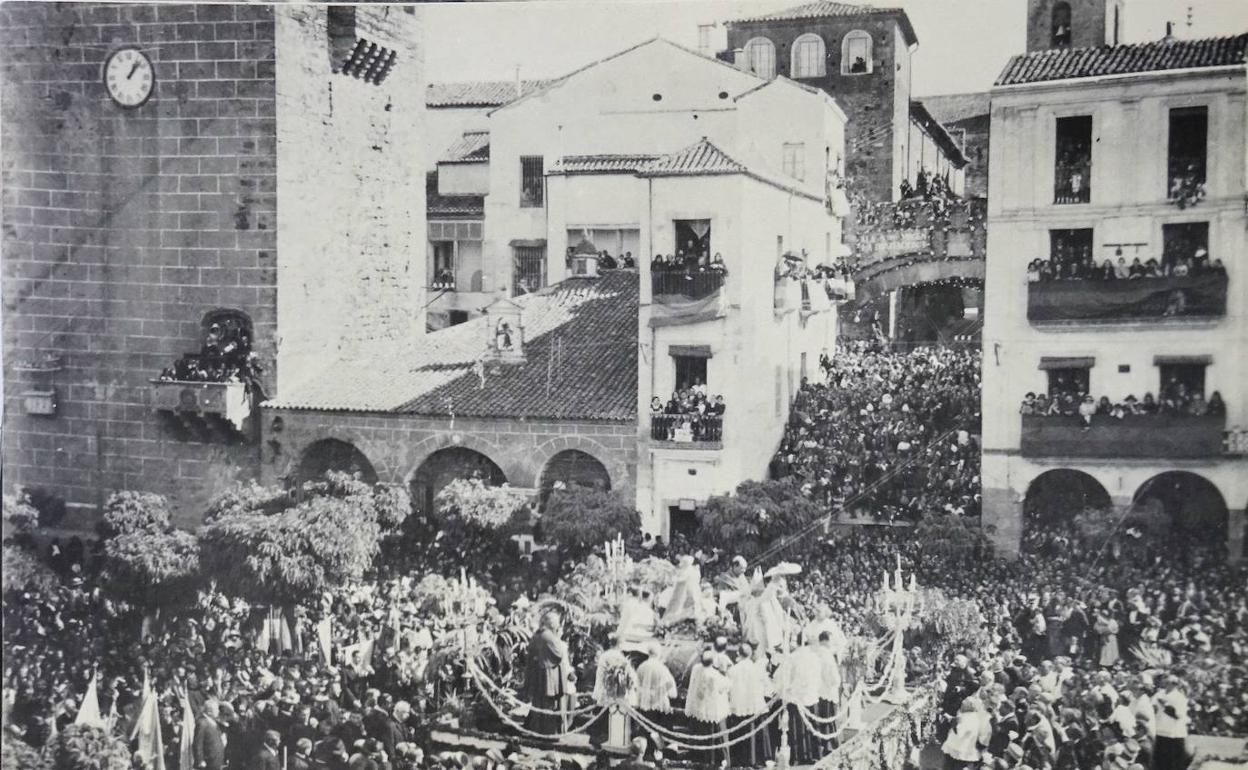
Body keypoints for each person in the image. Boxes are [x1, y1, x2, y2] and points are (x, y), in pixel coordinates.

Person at [523, 611, 572, 737]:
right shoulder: (549, 636)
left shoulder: (538, 635)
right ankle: (548, 732)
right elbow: (559, 654)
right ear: (552, 624)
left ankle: (537, 730)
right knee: (548, 705)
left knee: (539, 704)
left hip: (539, 675)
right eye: (557, 623)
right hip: (548, 677)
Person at [727, 643, 773, 767]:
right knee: (754, 730)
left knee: (741, 731)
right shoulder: (757, 669)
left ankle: (740, 759)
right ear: (751, 654)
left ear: (738, 654)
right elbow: (768, 687)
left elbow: (728, 688)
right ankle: (756, 759)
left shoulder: (732, 670)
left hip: (740, 705)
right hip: (754, 704)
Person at [1153, 676, 1189, 770]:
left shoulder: (1180, 697)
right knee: (1159, 761)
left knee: (1173, 763)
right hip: (1160, 731)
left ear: (1175, 685)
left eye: (1170, 683)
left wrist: (1165, 705)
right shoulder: (1159, 694)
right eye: (1166, 682)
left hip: (1174, 734)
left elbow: (1178, 715)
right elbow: (1153, 707)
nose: (1167, 685)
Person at [194, 700, 227, 770]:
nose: (218, 711)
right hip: (208, 761)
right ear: (209, 712)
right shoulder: (202, 723)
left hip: (216, 760)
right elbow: (197, 743)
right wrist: (200, 760)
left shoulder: (214, 722)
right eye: (216, 709)